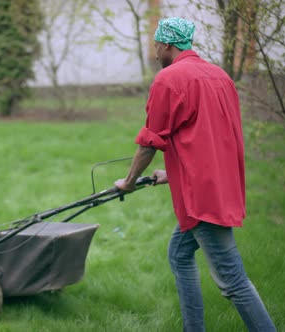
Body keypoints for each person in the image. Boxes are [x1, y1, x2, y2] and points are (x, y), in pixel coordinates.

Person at [114, 17, 276, 332]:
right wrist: (173, 174)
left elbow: (150, 142)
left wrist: (128, 182)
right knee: (179, 253)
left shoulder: (169, 79)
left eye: (157, 45)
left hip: (203, 199)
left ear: (167, 45)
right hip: (219, 186)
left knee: (233, 281)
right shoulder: (220, 76)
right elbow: (210, 140)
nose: (155, 51)